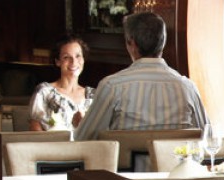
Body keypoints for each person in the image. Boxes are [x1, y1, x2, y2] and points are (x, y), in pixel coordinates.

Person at [74, 12, 209, 141]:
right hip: (175, 159)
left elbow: (82, 139)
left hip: (127, 159)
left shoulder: (112, 86)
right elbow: (208, 139)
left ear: (132, 44)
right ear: (163, 42)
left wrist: (80, 125)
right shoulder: (188, 88)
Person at [28, 35, 95, 133]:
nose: (74, 62)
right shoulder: (44, 92)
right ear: (58, 62)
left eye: (78, 56)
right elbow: (35, 132)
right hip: (53, 143)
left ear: (83, 59)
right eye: (66, 57)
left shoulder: (93, 95)